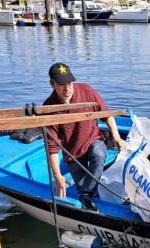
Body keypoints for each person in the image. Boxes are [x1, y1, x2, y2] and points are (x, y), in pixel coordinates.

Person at [44, 62, 126, 211]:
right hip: (72, 153)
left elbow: (106, 114)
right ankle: (90, 198)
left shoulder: (86, 91)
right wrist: (57, 176)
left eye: (69, 82)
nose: (67, 88)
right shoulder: (49, 108)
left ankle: (86, 197)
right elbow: (52, 147)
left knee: (99, 153)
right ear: (52, 84)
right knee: (87, 188)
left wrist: (116, 136)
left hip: (93, 139)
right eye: (62, 84)